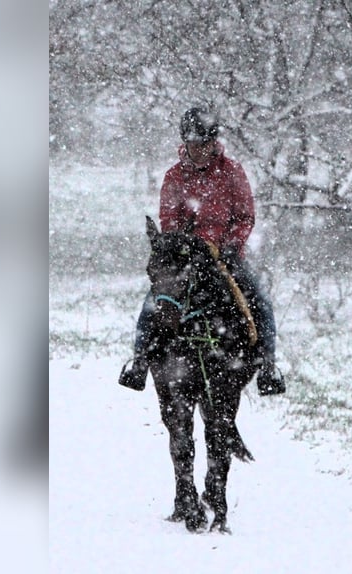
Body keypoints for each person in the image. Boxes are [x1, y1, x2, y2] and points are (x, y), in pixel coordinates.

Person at [119, 106, 285, 396]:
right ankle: (139, 363)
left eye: (204, 144)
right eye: (193, 144)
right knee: (152, 305)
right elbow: (168, 219)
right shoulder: (174, 176)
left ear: (213, 142)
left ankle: (268, 367)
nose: (199, 150)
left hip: (225, 256)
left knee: (260, 301)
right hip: (185, 257)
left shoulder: (232, 172)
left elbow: (245, 216)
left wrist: (230, 246)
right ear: (185, 142)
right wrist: (185, 245)